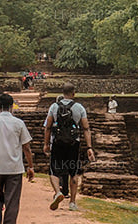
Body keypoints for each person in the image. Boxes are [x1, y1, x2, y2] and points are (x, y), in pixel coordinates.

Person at [42, 83, 94, 212]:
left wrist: (46, 143)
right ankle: (72, 202)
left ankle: (58, 192)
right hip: (73, 143)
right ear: (73, 93)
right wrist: (89, 147)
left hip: (57, 143)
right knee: (73, 172)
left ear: (62, 92)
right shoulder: (79, 108)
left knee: (54, 170)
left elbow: (48, 127)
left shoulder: (54, 106)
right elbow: (86, 128)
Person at [0, 92, 33, 224]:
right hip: (14, 169)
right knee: (12, 202)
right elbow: (26, 147)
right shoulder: (18, 123)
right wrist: (30, 166)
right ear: (11, 106)